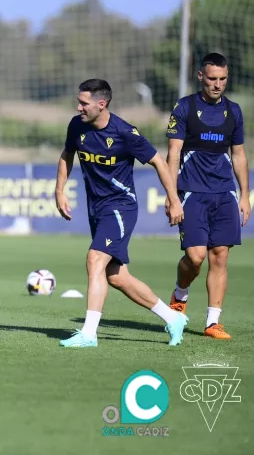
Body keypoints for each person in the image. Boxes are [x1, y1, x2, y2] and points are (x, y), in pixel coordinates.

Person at [55, 78, 188, 348]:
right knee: (116, 276)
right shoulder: (76, 126)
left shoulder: (125, 133)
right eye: (79, 101)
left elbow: (159, 162)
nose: (78, 107)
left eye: (84, 103)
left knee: (94, 260)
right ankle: (172, 318)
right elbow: (67, 155)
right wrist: (59, 191)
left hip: (120, 207)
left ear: (101, 104)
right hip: (97, 208)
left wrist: (174, 200)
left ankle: (89, 334)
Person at [165, 52, 250, 339]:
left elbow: (238, 155)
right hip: (192, 192)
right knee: (196, 256)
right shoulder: (185, 107)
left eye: (222, 79)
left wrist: (244, 195)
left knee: (220, 256)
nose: (217, 84)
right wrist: (172, 195)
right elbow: (173, 152)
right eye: (212, 78)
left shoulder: (234, 111)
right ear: (201, 76)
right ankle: (180, 294)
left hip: (224, 192)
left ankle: (213, 322)